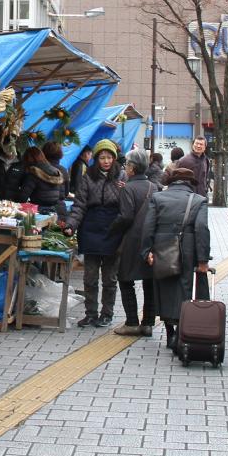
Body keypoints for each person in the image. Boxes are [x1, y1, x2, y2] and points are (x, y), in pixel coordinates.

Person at [141, 165, 210, 349]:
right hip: (187, 248)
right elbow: (202, 229)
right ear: (190, 183)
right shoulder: (199, 200)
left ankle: (170, 332)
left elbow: (148, 226)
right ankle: (180, 332)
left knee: (164, 288)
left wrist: (147, 250)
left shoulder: (157, 197)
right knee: (184, 288)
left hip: (161, 246)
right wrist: (203, 259)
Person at [64, 139, 125, 327]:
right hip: (91, 228)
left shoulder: (122, 177)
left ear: (114, 158)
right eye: (102, 157)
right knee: (89, 277)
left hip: (114, 230)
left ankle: (107, 313)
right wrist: (71, 225)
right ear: (96, 159)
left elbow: (129, 206)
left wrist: (126, 191)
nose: (106, 161)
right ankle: (90, 313)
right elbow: (79, 205)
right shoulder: (87, 177)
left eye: (109, 157)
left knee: (110, 278)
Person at [110, 149, 158, 336]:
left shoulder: (128, 188)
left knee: (125, 279)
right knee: (149, 281)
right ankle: (147, 324)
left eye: (127, 165)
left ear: (132, 167)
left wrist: (111, 229)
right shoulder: (153, 187)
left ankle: (131, 322)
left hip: (131, 240)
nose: (125, 168)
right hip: (150, 240)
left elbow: (126, 217)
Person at [19, 144, 68, 217]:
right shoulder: (58, 172)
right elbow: (65, 193)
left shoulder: (34, 173)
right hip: (57, 211)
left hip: (39, 211)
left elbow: (22, 197)